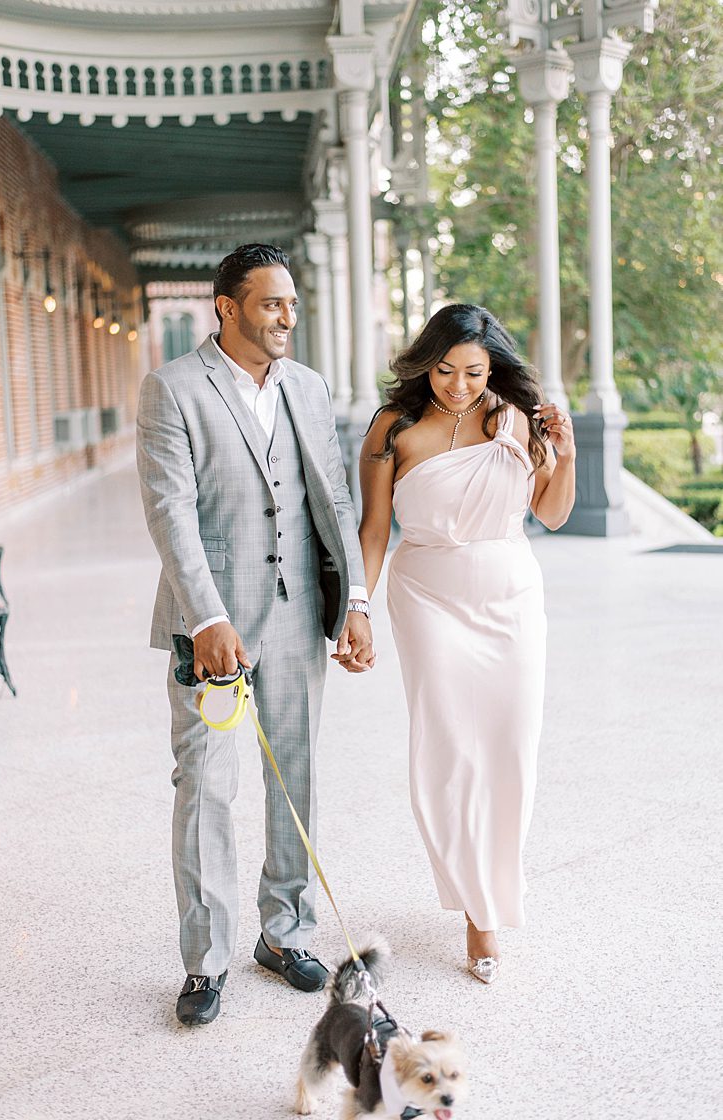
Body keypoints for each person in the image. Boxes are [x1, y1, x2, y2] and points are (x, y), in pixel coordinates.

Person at [136, 243, 374, 1027]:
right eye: (272, 304)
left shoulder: (308, 388)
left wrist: (358, 603)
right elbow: (171, 512)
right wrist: (207, 618)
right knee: (205, 785)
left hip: (302, 612)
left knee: (294, 778)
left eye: (292, 305)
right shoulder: (172, 388)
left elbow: (335, 500)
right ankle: (205, 963)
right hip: (211, 626)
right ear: (227, 308)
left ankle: (286, 933)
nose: (286, 318)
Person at [356, 304, 575, 985]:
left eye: (473, 372)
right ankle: (479, 917)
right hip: (427, 596)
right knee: (449, 749)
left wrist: (564, 452)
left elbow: (553, 511)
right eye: (445, 370)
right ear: (426, 362)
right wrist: (355, 609)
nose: (457, 385)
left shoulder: (515, 419)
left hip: (510, 596)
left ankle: (491, 894)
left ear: (492, 368)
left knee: (510, 748)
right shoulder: (392, 428)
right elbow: (372, 531)